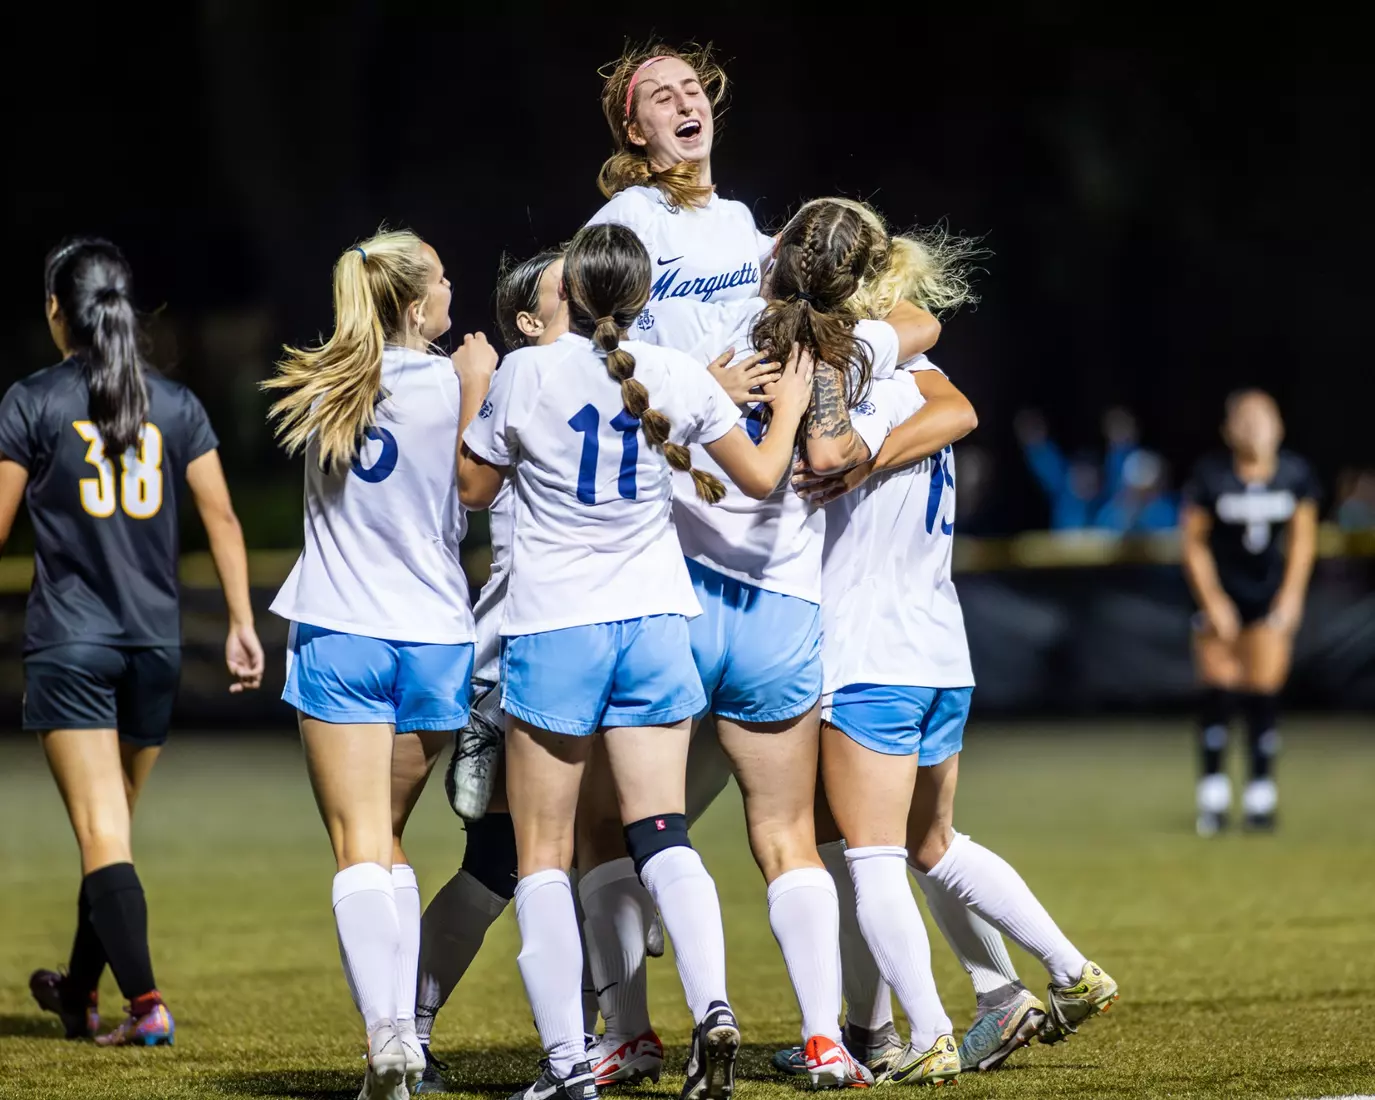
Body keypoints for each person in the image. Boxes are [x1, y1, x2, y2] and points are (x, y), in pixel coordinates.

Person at [457, 222, 814, 1100]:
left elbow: (472, 491)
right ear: (644, 296)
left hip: (557, 628)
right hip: (655, 620)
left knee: (543, 854)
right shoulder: (678, 374)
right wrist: (795, 408)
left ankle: (567, 1064)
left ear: (568, 296)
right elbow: (762, 478)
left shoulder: (524, 371)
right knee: (663, 832)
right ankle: (716, 1009)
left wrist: (473, 392)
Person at [785, 362, 1118, 1082]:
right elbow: (955, 406)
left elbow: (820, 460)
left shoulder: (839, 391)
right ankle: (1063, 971)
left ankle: (923, 1032)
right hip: (940, 649)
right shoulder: (921, 380)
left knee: (866, 856)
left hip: (867, 651)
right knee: (930, 844)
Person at [0, 238, 263, 1047]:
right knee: (107, 829)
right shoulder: (176, 405)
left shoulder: (33, 400)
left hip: (73, 646)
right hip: (153, 648)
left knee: (101, 834)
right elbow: (221, 516)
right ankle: (79, 992)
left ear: (57, 310)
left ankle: (144, 1003)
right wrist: (244, 622)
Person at [263, 229, 481, 1100]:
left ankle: (388, 1036)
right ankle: (402, 1045)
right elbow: (478, 486)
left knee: (359, 843)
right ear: (414, 302)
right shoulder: (462, 381)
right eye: (439, 273)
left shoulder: (323, 383)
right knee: (388, 839)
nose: (451, 280)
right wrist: (477, 386)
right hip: (434, 637)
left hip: (342, 628)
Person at [414, 248, 570, 1094]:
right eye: (563, 288)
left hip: (593, 653)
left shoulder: (589, 375)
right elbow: (467, 486)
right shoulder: (518, 389)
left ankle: (603, 1032)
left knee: (611, 853)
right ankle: (408, 1022)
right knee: (504, 861)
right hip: (520, 663)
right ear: (525, 321)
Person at [1181, 390, 1319, 835]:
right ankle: (1214, 794)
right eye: (1245, 419)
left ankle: (1261, 793)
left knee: (1263, 692)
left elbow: (1303, 541)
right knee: (1218, 691)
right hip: (1222, 594)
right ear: (1228, 429)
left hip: (1267, 596)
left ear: (1279, 426)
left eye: (1264, 418)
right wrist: (1213, 600)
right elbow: (1193, 543)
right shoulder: (1211, 475)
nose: (1255, 428)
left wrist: (1291, 597)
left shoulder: (1295, 475)